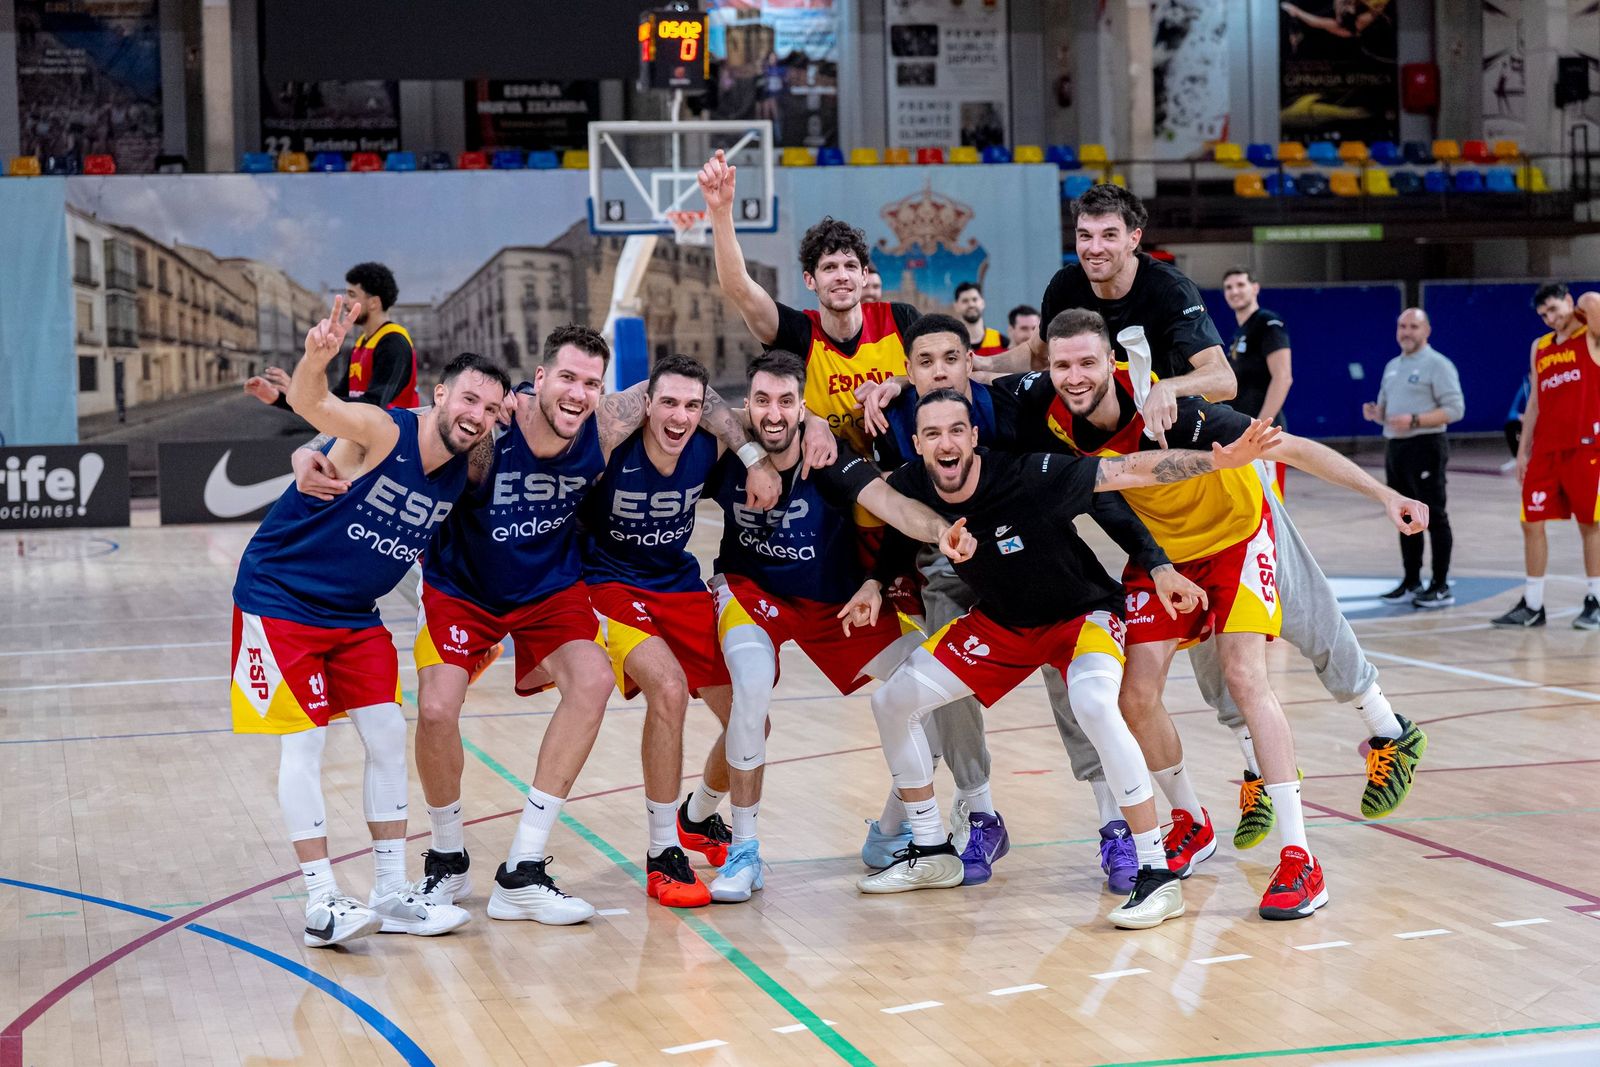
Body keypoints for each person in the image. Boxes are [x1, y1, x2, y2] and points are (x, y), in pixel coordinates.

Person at [999, 309, 1432, 920]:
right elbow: (968, 380)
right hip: (1165, 555)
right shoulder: (1046, 416)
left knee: (1243, 675)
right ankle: (1190, 820)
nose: (1074, 376)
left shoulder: (1169, 408)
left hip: (1235, 538)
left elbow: (1293, 448)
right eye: (1063, 364)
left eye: (1087, 362)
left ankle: (1300, 859)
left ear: (1111, 363)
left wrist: (1387, 495)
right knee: (1135, 693)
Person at [859, 388, 1273, 929]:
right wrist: (874, 578)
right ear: (917, 445)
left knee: (1096, 704)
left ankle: (1156, 873)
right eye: (933, 434)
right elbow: (870, 493)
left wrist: (1215, 461)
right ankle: (934, 851)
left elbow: (1122, 473)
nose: (946, 443)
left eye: (956, 430)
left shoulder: (1029, 474)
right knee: (893, 701)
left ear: (974, 437)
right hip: (1003, 625)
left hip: (1082, 617)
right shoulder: (914, 481)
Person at [230, 297, 507, 947]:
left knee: (386, 733)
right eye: (469, 399)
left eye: (491, 409)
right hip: (280, 597)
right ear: (442, 393)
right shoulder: (386, 430)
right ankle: (323, 902)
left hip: (355, 614)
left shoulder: (468, 471)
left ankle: (389, 890)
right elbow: (316, 407)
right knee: (304, 745)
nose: (478, 415)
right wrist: (314, 360)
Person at [704, 350, 977, 901]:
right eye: (761, 401)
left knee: (927, 696)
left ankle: (890, 835)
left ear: (803, 406)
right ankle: (744, 850)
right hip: (754, 593)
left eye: (787, 402)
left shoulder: (828, 457)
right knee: (751, 689)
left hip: (837, 603)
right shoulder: (727, 451)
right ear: (748, 405)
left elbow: (893, 505)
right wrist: (751, 450)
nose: (774, 413)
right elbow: (697, 406)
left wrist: (941, 531)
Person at [580, 354, 785, 908]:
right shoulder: (611, 441)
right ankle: (661, 849)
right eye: (668, 403)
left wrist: (758, 460)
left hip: (678, 583)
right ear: (646, 404)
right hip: (609, 584)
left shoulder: (710, 444)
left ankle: (698, 818)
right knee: (667, 690)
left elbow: (765, 418)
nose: (679, 416)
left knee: (753, 721)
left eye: (692, 405)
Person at [978, 184, 1237, 445]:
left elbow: (1224, 380)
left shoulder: (1170, 289)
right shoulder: (1065, 284)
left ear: (1134, 238)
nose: (1095, 248)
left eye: (1109, 235)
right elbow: (1035, 355)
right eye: (1085, 236)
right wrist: (982, 364)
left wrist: (1169, 387)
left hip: (1170, 432)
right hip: (1103, 433)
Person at [700, 149, 920, 452]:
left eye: (850, 266)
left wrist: (898, 382)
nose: (841, 276)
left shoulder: (901, 319)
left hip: (903, 470)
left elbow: (944, 374)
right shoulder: (798, 332)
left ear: (864, 276)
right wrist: (721, 212)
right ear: (810, 280)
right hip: (827, 477)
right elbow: (739, 287)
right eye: (829, 268)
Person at [1493, 283, 1600, 630]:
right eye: (1544, 315)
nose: (1551, 319)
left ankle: (1596, 599)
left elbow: (1593, 302)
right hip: (1546, 449)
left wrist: (1580, 306)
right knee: (1530, 522)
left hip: (1586, 447)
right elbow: (1535, 401)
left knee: (1590, 524)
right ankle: (1534, 604)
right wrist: (1523, 452)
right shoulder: (1539, 347)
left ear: (1568, 302)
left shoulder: (1591, 335)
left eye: (1555, 310)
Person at [1362, 308, 1464, 609]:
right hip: (1396, 448)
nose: (1406, 332)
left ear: (1427, 330)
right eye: (1402, 326)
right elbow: (1389, 410)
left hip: (1426, 446)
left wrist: (1417, 420)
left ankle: (1441, 585)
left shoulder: (1438, 365)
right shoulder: (1393, 365)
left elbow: (1456, 409)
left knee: (1434, 515)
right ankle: (1411, 581)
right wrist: (1377, 414)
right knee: (1405, 514)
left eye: (1413, 326)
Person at [246, 263, 420, 412]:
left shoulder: (394, 342)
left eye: (352, 295)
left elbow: (374, 405)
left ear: (374, 302)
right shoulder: (362, 343)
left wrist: (305, 395)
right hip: (369, 443)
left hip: (396, 447)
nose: (345, 301)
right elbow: (336, 400)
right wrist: (279, 398)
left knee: (308, 452)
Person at [1222, 268, 1294, 495]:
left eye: (1241, 285)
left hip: (1263, 437)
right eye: (1229, 287)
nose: (1235, 291)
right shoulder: (1239, 333)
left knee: (1269, 509)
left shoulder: (1267, 323)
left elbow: (1283, 377)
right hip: (1244, 433)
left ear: (1255, 288)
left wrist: (1261, 431)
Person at [953, 281, 1007, 355]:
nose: (971, 304)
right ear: (956, 306)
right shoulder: (950, 342)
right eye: (965, 301)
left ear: (983, 303)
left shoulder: (1001, 341)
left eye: (975, 299)